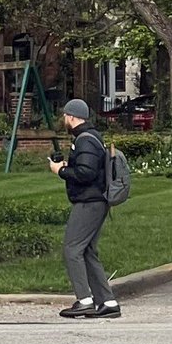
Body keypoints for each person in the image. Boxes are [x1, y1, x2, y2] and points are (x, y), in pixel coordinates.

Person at [51, 98, 120, 319]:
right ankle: (107, 302)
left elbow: (86, 173)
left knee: (72, 249)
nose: (64, 120)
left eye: (65, 116)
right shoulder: (90, 138)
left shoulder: (85, 140)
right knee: (87, 251)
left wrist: (60, 171)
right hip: (96, 200)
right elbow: (86, 168)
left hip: (89, 202)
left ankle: (85, 300)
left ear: (71, 116)